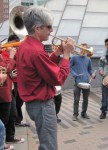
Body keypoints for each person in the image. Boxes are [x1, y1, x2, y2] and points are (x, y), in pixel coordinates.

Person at [16, 6, 75, 150]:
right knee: (49, 146)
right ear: (37, 28)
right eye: (49, 27)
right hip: (42, 105)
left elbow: (40, 69)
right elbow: (58, 78)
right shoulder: (36, 51)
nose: (52, 30)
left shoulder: (25, 45)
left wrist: (56, 54)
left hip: (34, 104)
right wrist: (66, 55)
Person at [0, 42, 24, 145]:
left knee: (12, 115)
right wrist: (11, 56)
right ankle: (2, 143)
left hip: (8, 90)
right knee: (3, 119)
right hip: (2, 92)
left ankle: (10, 137)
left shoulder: (1, 54)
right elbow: (5, 70)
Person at [70, 43, 96, 121]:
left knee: (86, 99)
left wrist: (92, 74)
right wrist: (75, 74)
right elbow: (69, 67)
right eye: (82, 48)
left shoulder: (88, 59)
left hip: (86, 81)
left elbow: (90, 69)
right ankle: (75, 114)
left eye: (85, 49)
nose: (83, 50)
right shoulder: (74, 57)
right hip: (77, 82)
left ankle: (84, 113)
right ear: (80, 48)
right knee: (76, 99)